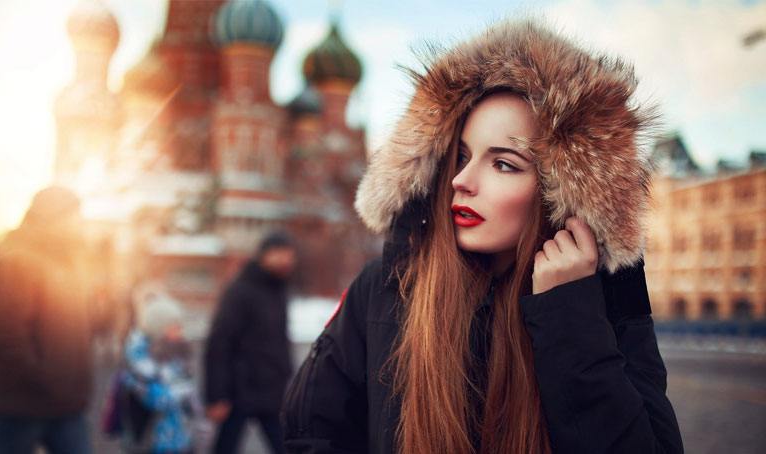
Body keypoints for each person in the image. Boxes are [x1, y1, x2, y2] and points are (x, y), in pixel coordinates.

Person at [281, 19, 684, 454]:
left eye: (504, 164)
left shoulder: (604, 303)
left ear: (562, 194)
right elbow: (311, 432)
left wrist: (569, 318)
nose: (462, 180)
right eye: (461, 156)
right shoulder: (386, 287)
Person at [0, 186, 104, 454]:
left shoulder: (69, 261)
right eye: (74, 215)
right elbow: (4, 337)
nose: (80, 223)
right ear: (54, 217)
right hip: (22, 406)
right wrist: (49, 380)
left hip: (67, 406)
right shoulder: (16, 261)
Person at [204, 232, 297, 454]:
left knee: (286, 447)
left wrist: (287, 375)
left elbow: (279, 339)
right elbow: (219, 343)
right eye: (280, 255)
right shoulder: (240, 291)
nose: (286, 261)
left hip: (271, 391)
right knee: (225, 447)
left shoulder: (279, 290)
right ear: (264, 256)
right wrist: (216, 396)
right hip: (239, 391)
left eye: (289, 256)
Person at [118, 288, 201, 454]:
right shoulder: (139, 360)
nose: (180, 332)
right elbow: (157, 399)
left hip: (179, 439)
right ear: (159, 329)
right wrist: (183, 390)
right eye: (175, 328)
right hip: (152, 442)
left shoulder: (175, 352)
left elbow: (191, 399)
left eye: (180, 327)